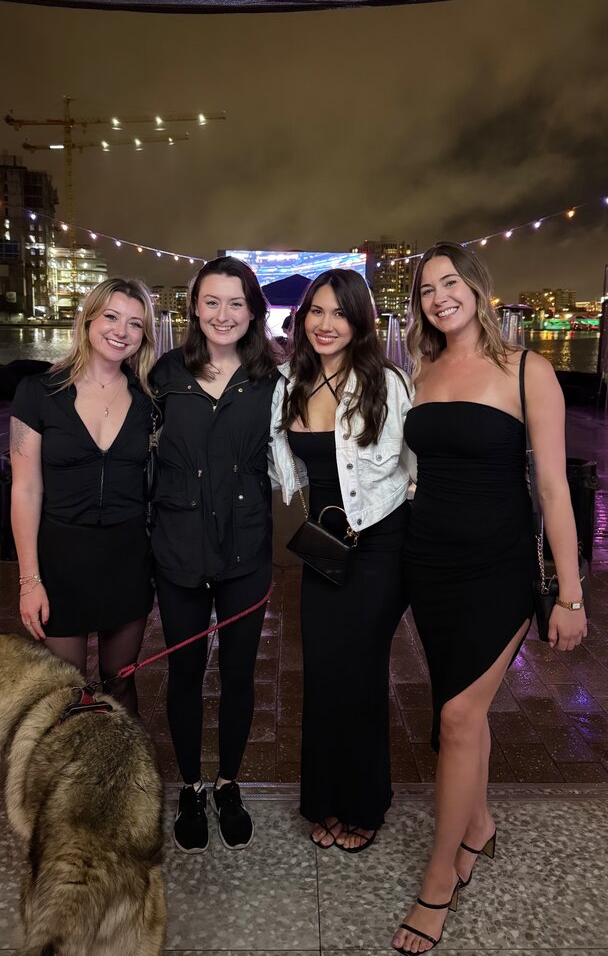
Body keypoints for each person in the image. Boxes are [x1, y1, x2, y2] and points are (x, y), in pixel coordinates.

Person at [392, 243, 587, 953]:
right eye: (425, 289)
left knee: (456, 715)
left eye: (450, 282)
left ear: (477, 289)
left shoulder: (528, 369)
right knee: (462, 711)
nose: (439, 296)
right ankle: (477, 824)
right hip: (428, 563)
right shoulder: (421, 369)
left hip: (499, 567)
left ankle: (439, 880)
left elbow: (555, 489)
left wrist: (570, 594)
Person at [269, 268, 414, 852]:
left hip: (380, 543)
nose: (325, 324)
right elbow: (277, 461)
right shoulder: (287, 382)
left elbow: (416, 467)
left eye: (340, 313)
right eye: (316, 311)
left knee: (362, 671)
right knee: (322, 671)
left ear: (360, 321)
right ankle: (323, 799)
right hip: (326, 544)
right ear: (302, 317)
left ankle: (365, 802)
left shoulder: (387, 381)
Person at [150, 256, 279, 854]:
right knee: (183, 672)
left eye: (236, 303)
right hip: (177, 546)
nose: (223, 314)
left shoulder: (272, 379)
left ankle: (228, 783)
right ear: (194, 308)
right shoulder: (163, 373)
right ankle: (191, 786)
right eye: (211, 301)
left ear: (253, 311)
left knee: (238, 672)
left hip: (246, 547)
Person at [10, 277, 157, 718]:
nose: (121, 331)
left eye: (135, 323)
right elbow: (25, 489)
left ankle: (126, 761)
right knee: (64, 689)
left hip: (127, 558)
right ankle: (68, 766)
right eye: (111, 316)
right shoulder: (38, 392)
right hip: (61, 560)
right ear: (88, 319)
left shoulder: (148, 401)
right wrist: (29, 580)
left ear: (144, 335)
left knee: (120, 679)